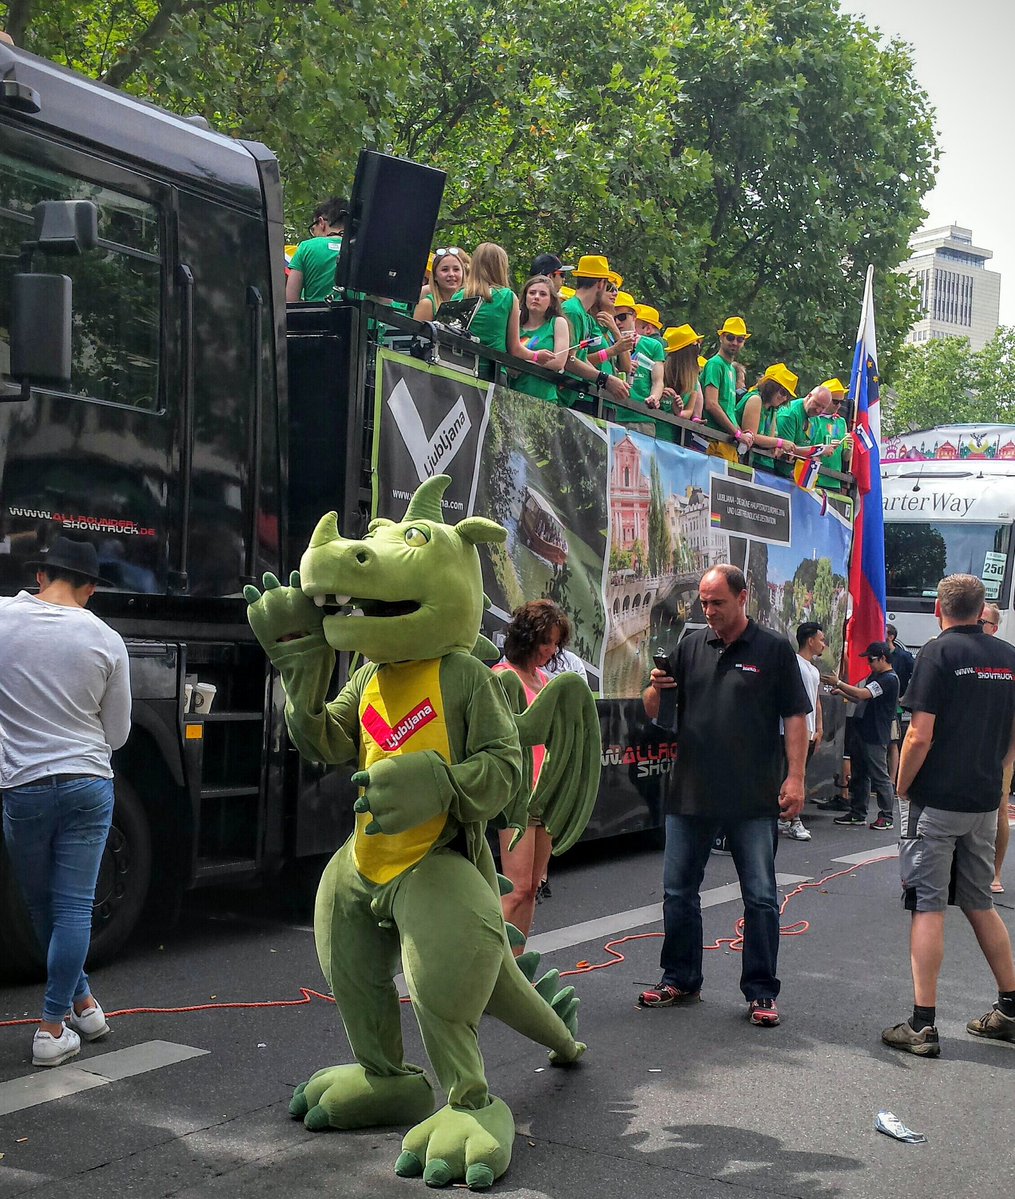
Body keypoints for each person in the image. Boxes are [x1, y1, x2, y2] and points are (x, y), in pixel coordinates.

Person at [640, 564, 810, 1026]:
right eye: (704, 602)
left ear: (743, 597)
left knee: (759, 896)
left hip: (753, 797)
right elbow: (656, 710)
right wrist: (654, 690)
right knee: (678, 892)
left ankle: (760, 992)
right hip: (690, 792)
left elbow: (796, 717)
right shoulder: (690, 645)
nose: (709, 611)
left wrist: (795, 778)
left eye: (718, 602)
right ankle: (679, 978)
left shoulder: (773, 649)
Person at [0, 537, 132, 1067]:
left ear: (40, 576)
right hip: (86, 785)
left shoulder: (4, 619)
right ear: (90, 588)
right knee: (73, 907)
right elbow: (118, 734)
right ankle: (57, 1025)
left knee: (41, 906)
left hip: (23, 787)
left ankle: (78, 1010)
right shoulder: (106, 638)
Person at [882, 573, 1015, 1056]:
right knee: (981, 902)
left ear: (939, 607)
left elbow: (919, 735)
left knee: (927, 904)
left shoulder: (937, 653)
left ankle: (922, 1023)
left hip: (937, 800)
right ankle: (1010, 1009)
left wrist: (901, 786)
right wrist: (999, 773)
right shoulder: (1007, 657)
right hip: (983, 801)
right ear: (982, 610)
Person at [493, 600, 572, 944]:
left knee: (531, 888)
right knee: (517, 887)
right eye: (546, 642)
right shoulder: (501, 677)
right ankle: (493, 970)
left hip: (544, 792)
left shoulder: (543, 679)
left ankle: (517, 968)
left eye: (555, 643)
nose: (551, 650)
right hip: (516, 796)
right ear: (527, 638)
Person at [824, 642, 898, 829]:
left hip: (875, 732)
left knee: (879, 776)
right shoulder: (877, 676)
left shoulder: (889, 679)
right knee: (859, 774)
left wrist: (839, 683)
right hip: (863, 729)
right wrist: (842, 691)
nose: (869, 664)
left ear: (883, 658)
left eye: (871, 660)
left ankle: (887, 815)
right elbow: (862, 697)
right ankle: (858, 812)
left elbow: (864, 694)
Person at [559, 256, 631, 408]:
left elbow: (579, 356)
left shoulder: (584, 316)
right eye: (609, 287)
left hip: (576, 396)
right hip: (566, 399)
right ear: (601, 283)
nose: (614, 294)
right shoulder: (572, 310)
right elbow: (567, 359)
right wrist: (605, 380)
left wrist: (607, 381)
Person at [778, 621, 826, 841]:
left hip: (808, 732)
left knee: (799, 775)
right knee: (788, 775)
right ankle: (791, 820)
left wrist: (818, 727)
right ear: (810, 640)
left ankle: (786, 817)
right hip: (789, 731)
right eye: (821, 640)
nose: (823, 645)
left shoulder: (814, 670)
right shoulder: (793, 663)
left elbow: (815, 700)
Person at [978, 604, 1011, 894]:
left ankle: (995, 872)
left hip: (998, 747)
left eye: (984, 622)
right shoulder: (953, 649)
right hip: (962, 744)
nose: (978, 625)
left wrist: (1008, 757)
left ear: (995, 627)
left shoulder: (1007, 656)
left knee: (998, 806)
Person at [700, 317, 752, 462]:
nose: (735, 342)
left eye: (740, 339)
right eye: (730, 337)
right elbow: (711, 404)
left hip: (727, 442)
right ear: (721, 337)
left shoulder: (732, 369)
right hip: (713, 441)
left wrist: (741, 433)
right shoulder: (715, 364)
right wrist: (737, 433)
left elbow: (728, 409)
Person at [514, 275, 570, 403]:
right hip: (513, 394)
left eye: (543, 294)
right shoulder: (516, 322)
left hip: (544, 398)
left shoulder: (557, 323)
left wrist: (523, 361)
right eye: (532, 293)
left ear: (551, 301)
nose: (536, 297)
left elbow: (558, 362)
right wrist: (537, 359)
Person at [735, 363, 801, 471]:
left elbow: (771, 439)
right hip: (747, 463)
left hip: (763, 464)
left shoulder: (772, 409)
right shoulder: (755, 399)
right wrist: (780, 443)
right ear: (771, 386)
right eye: (783, 392)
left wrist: (778, 446)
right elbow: (751, 436)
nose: (784, 399)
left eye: (788, 396)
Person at [284, 197, 348, 302]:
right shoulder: (360, 251)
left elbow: (291, 300)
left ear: (321, 222)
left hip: (315, 317)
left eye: (313, 229)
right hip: (356, 317)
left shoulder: (306, 248)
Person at [774, 385, 833, 476]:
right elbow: (787, 449)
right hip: (777, 471)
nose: (818, 410)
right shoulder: (790, 413)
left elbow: (812, 450)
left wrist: (817, 455)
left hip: (797, 474)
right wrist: (819, 450)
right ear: (809, 396)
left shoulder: (816, 419)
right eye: (816, 404)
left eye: (823, 408)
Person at [658, 324, 705, 439]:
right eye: (696, 346)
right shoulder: (661, 370)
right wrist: (659, 395)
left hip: (675, 440)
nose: (698, 351)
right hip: (654, 433)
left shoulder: (693, 380)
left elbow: (689, 411)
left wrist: (678, 411)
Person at [809, 378, 853, 488]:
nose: (838, 406)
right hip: (815, 477)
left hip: (835, 481)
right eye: (835, 401)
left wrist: (849, 448)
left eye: (841, 402)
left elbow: (846, 457)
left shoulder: (841, 422)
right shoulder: (813, 418)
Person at [885, 622, 915, 785]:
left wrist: (907, 696)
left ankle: (892, 778)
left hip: (894, 704)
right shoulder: (879, 653)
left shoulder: (903, 656)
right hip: (879, 702)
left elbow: (918, 673)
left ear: (891, 637)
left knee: (892, 741)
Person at [413, 246, 469, 320]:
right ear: (435, 275)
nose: (451, 274)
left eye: (456, 269)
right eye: (445, 270)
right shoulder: (427, 304)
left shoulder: (469, 303)